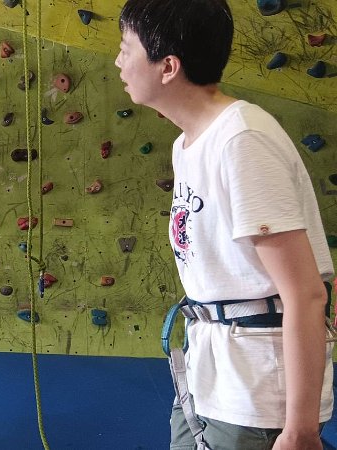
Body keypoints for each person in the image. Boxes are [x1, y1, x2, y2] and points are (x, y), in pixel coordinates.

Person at [116, 1, 334, 449]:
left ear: (168, 66)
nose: (118, 61)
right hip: (208, 373)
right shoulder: (187, 144)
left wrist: (300, 429)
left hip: (255, 392)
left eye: (126, 48)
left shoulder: (242, 139)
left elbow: (306, 293)